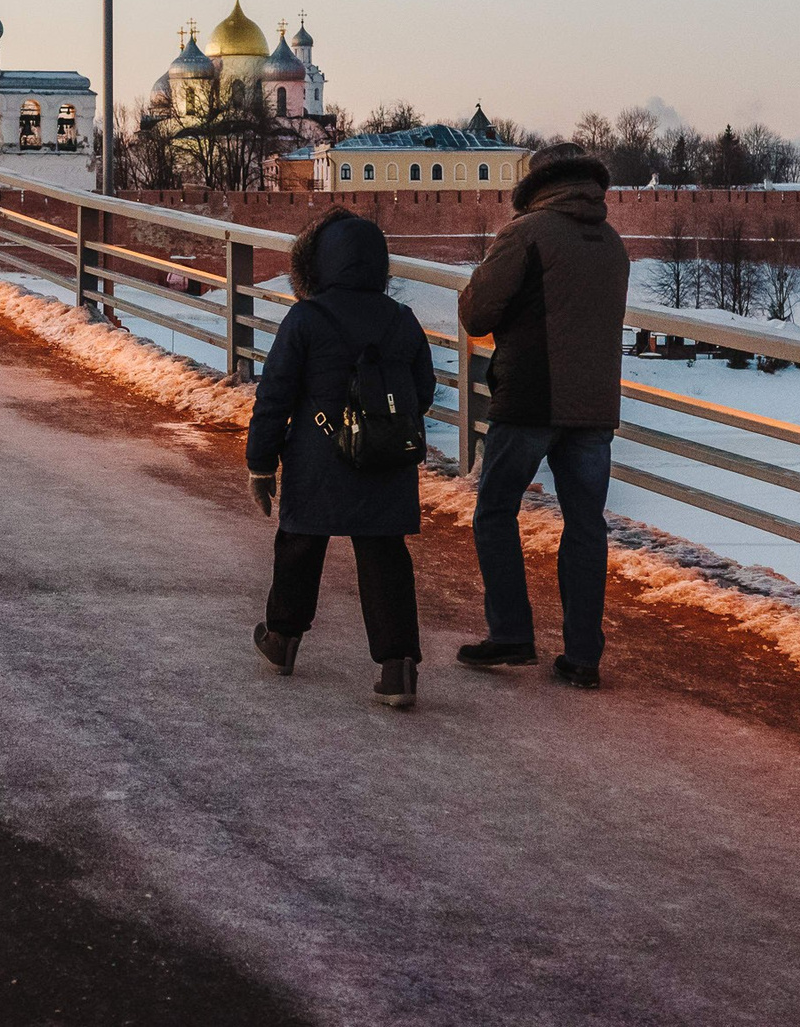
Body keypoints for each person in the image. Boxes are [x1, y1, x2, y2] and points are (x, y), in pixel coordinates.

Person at [456, 145, 631, 690]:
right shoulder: (613, 244)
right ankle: (582, 656)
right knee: (585, 527)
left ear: (537, 184)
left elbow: (475, 312)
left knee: (495, 511)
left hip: (530, 397)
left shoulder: (526, 233)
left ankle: (510, 634)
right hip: (594, 405)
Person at [246, 208, 436, 709]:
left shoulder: (306, 317)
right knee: (384, 557)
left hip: (317, 455)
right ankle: (398, 669)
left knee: (300, 546)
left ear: (318, 263)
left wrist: (261, 464)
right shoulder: (402, 320)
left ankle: (282, 641)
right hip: (385, 460)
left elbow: (275, 396)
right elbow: (422, 392)